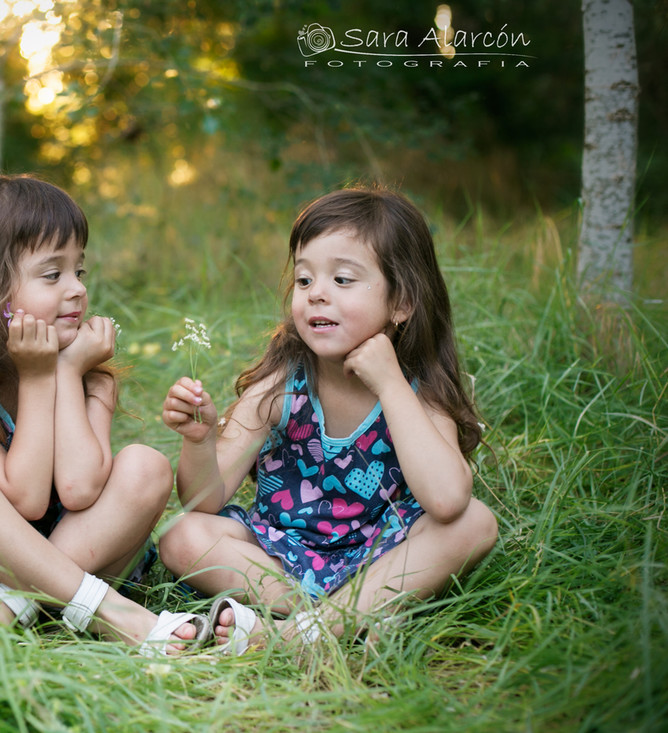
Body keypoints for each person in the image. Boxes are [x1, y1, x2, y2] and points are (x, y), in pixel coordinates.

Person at [0, 173, 208, 654]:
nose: (76, 290)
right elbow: (25, 498)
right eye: (52, 275)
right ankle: (111, 613)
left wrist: (66, 373)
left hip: (78, 554)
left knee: (146, 466)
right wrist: (37, 377)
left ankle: (9, 612)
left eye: (79, 272)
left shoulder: (93, 377)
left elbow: (80, 486)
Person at [159, 186, 498, 654]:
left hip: (379, 556)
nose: (316, 294)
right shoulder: (284, 380)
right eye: (304, 280)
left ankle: (290, 633)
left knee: (474, 523)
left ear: (401, 303)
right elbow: (204, 501)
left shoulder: (419, 389)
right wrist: (198, 441)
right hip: (281, 557)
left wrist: (391, 385)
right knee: (182, 536)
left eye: (342, 280)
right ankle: (343, 620)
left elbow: (446, 500)